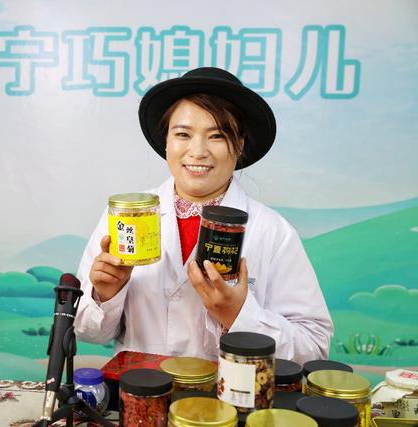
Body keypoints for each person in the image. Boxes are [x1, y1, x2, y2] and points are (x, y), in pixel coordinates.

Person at [74, 67, 333, 364]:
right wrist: (105, 294)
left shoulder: (272, 231)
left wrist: (239, 315)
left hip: (229, 393)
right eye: (182, 134)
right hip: (137, 389)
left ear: (240, 144)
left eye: (217, 136)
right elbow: (87, 331)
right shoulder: (126, 218)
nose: (197, 151)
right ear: (166, 140)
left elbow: (314, 346)